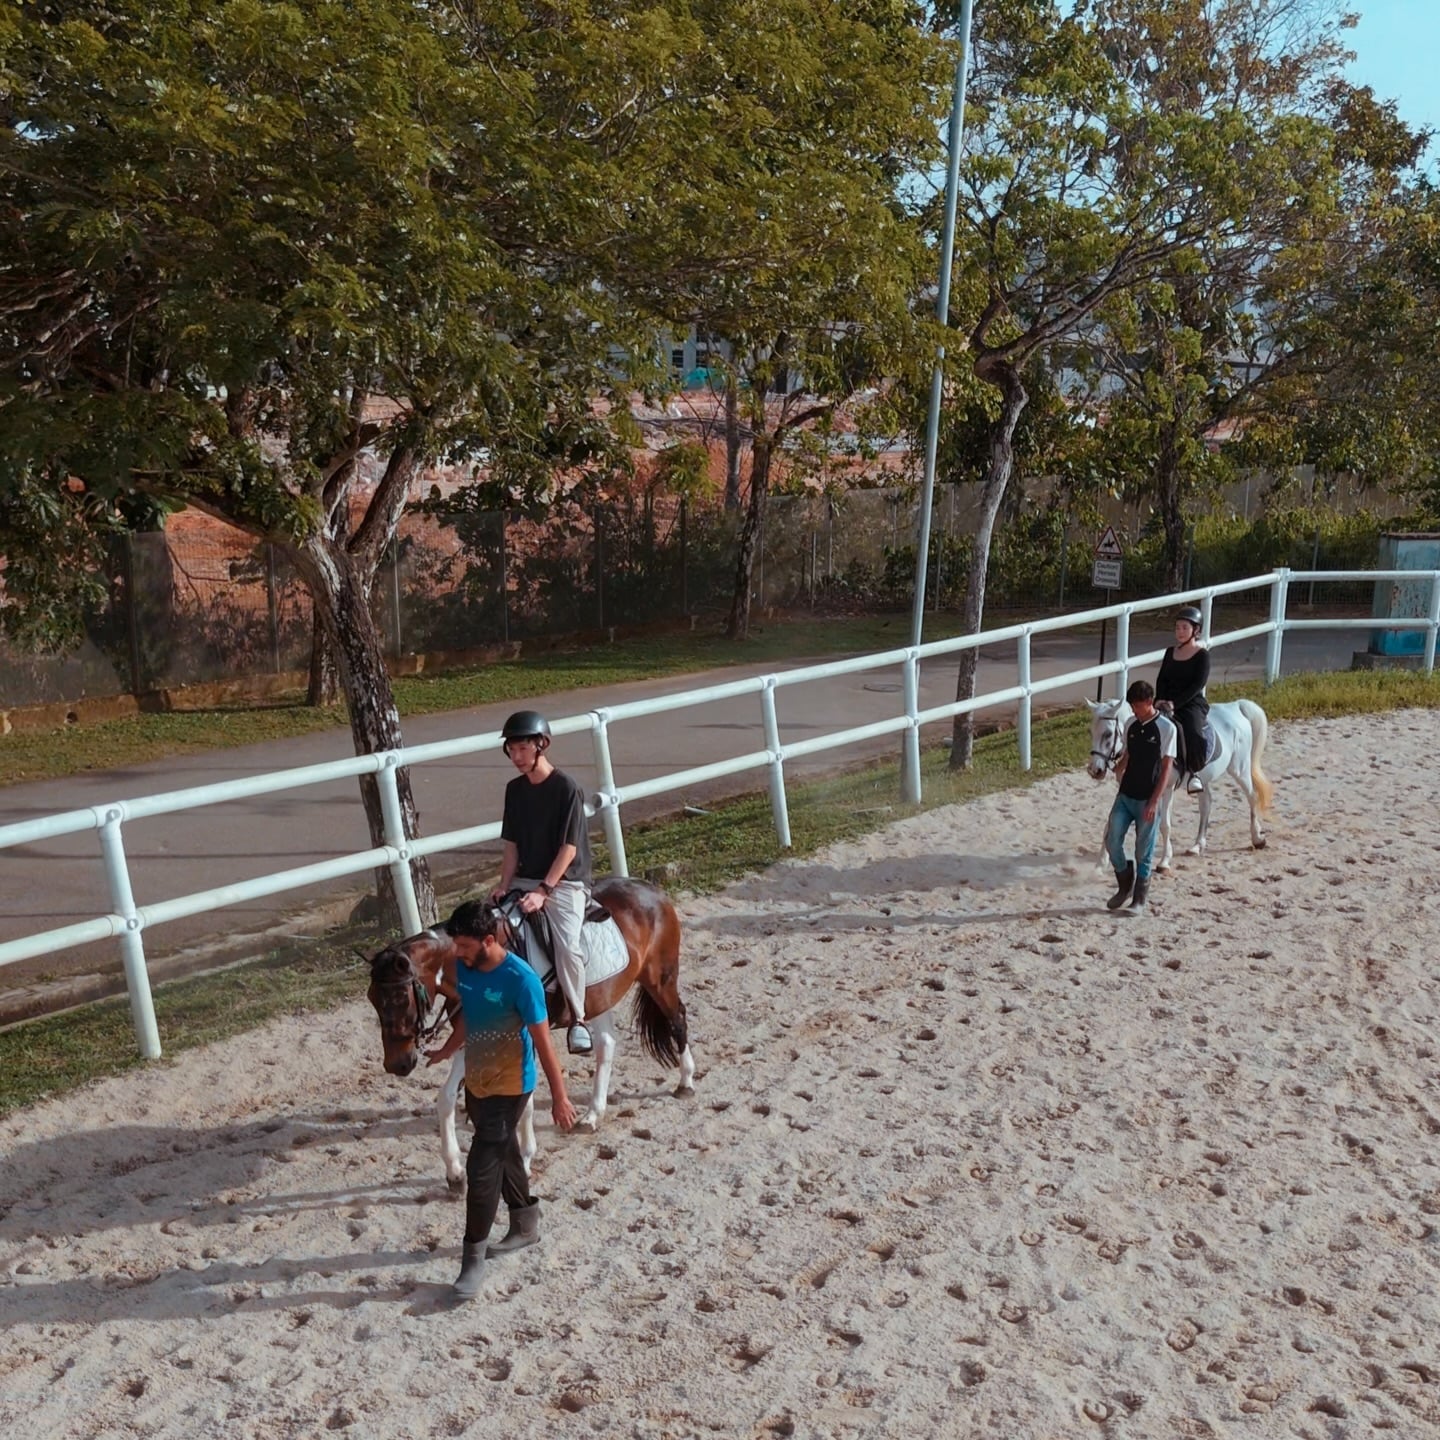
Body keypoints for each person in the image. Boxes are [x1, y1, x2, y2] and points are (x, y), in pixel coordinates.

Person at [425, 900, 577, 1301]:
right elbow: (469, 1016)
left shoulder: (520, 980)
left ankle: (472, 1261)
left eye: (462, 945)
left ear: (488, 941)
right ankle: (525, 1222)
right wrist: (446, 1049)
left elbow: (544, 1043)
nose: (456, 952)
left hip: (512, 1086)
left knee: (481, 1167)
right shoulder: (466, 969)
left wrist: (559, 1097)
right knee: (506, 1150)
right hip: (478, 1082)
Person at [492, 709, 595, 1056]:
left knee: (567, 946)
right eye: (512, 750)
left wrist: (542, 892)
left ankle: (578, 1019)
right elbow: (511, 845)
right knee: (491, 929)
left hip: (563, 881)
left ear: (541, 745)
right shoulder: (513, 791)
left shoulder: (566, 788)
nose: (516, 757)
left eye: (523, 749)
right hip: (524, 877)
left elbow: (568, 849)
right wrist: (504, 885)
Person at [1104, 679, 1176, 915]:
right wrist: (1117, 767)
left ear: (1149, 702)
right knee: (1112, 840)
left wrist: (1155, 801)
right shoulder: (1131, 724)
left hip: (1148, 797)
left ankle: (1139, 899)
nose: (1134, 710)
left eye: (1137, 705)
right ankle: (1125, 882)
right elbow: (1128, 754)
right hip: (1125, 794)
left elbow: (1166, 767)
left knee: (1143, 850)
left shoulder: (1167, 729)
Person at [1155, 604, 1210, 796]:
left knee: (1192, 730)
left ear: (1196, 630)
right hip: (1166, 701)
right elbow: (1161, 679)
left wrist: (1174, 704)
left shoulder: (1202, 655)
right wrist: (1159, 700)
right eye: (1177, 627)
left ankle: (1194, 772)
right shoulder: (1170, 652)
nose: (1179, 631)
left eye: (1184, 628)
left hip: (1190, 703)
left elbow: (1197, 685)